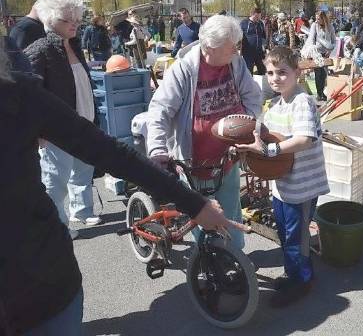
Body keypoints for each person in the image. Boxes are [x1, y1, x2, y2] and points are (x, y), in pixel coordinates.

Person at [0, 38, 246, 336]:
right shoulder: (186, 68)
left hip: (41, 286)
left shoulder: (17, 94)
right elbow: (161, 110)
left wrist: (194, 203)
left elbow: (108, 151)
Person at [146, 14, 262, 250]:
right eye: (231, 48)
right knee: (202, 219)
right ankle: (209, 263)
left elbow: (253, 96)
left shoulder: (235, 64)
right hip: (194, 162)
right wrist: (158, 148)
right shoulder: (183, 70)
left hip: (227, 158)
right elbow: (160, 111)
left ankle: (235, 257)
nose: (236, 51)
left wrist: (247, 127)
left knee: (231, 214)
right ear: (210, 47)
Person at [237, 47, 329, 308]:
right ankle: (293, 275)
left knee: (297, 237)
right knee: (286, 235)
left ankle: (302, 281)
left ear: (297, 73)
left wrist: (270, 150)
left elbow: (304, 138)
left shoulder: (302, 101)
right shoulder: (276, 103)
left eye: (282, 72)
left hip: (302, 186)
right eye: (270, 73)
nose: (275, 78)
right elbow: (264, 133)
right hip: (282, 185)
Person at [23, 0, 102, 239]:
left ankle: (81, 210)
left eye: (77, 18)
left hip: (84, 123)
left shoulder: (76, 46)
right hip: (57, 130)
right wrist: (38, 130)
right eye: (67, 19)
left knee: (83, 170)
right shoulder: (40, 50)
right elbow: (30, 95)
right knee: (55, 180)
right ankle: (57, 225)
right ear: (49, 19)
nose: (74, 23)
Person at [305, 10, 336, 101]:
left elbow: (334, 41)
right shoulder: (314, 25)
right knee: (318, 74)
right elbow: (311, 39)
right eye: (316, 18)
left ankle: (321, 92)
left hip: (326, 54)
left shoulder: (330, 27)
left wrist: (330, 50)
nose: (317, 20)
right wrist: (312, 52)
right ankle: (319, 94)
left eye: (318, 19)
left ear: (323, 18)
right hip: (316, 53)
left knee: (324, 74)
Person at [240, 7, 267, 75]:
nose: (259, 18)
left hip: (259, 52)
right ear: (252, 14)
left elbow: (263, 36)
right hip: (248, 52)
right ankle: (248, 85)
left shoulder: (260, 23)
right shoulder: (244, 23)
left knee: (262, 69)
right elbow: (239, 37)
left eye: (259, 16)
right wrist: (239, 50)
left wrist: (265, 47)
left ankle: (263, 85)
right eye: (257, 16)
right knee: (248, 71)